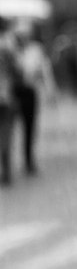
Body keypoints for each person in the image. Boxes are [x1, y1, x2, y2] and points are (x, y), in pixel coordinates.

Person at [13, 20, 57, 175]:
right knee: (8, 129)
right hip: (13, 93)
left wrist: (50, 91)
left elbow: (45, 71)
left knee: (29, 128)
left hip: (29, 92)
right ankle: (6, 162)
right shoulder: (9, 50)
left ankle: (28, 160)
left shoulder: (36, 50)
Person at [0, 16, 21, 186]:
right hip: (5, 96)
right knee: (6, 133)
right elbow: (18, 69)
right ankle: (6, 170)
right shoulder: (7, 44)